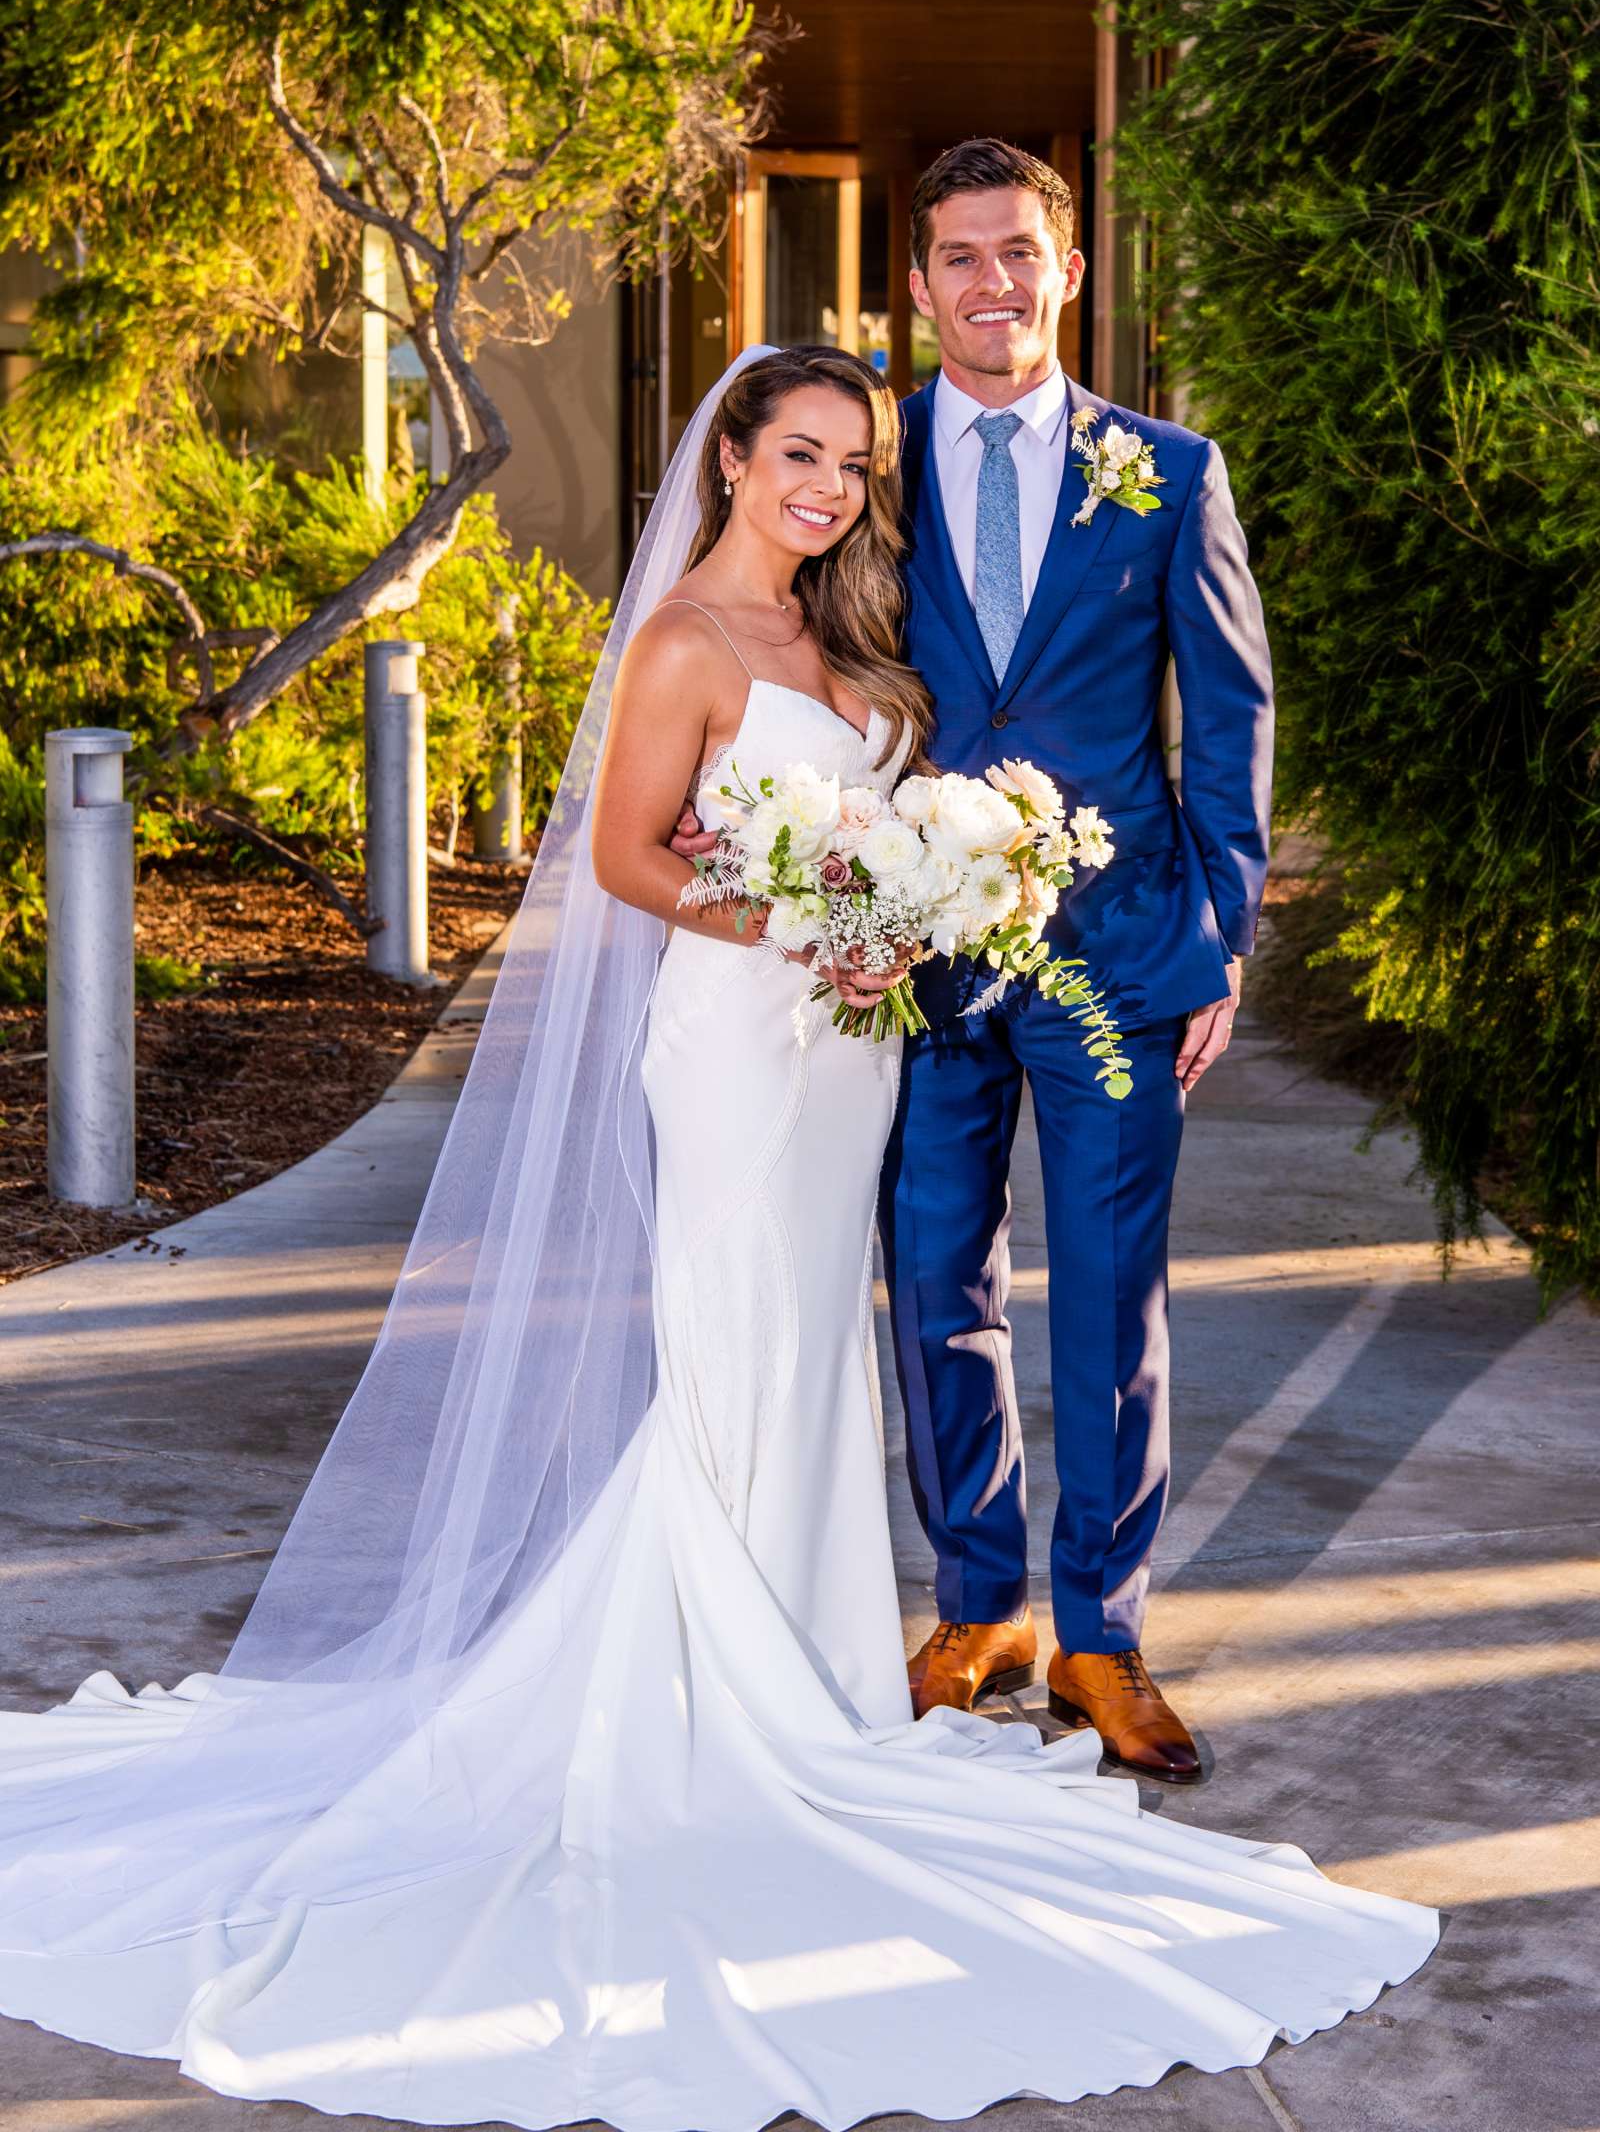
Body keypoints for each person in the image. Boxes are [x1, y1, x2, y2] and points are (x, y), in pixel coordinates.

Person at [0, 345, 1432, 2128]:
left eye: (854, 462)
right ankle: (729, 1706)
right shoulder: (682, 638)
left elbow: (960, 780)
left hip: (849, 1044)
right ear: (733, 458)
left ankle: (823, 1680)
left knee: (823, 1349)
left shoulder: (848, 641)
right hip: (752, 1040)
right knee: (744, 1345)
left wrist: (916, 893)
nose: (828, 486)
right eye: (800, 454)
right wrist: (804, 918)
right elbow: (624, 862)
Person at [880, 138, 1275, 1778]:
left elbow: (1232, 715)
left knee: (1112, 1300)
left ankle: (1101, 1637)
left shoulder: (1167, 471)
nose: (993, 285)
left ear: (1072, 269)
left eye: (1020, 254)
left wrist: (1220, 938)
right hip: (910, 955)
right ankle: (982, 1606)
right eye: (961, 258)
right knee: (929, 1279)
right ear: (918, 285)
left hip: (1115, 956)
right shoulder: (865, 462)